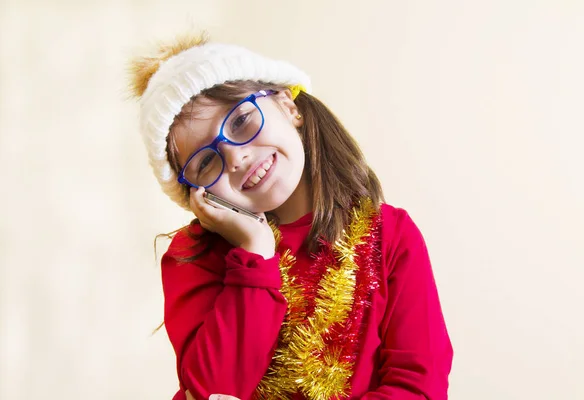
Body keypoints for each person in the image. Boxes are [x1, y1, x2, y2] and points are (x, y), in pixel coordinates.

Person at [129, 31, 453, 400]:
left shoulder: (391, 236)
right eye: (205, 162)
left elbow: (418, 388)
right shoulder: (193, 257)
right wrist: (254, 254)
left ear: (287, 105)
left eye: (240, 122)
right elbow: (210, 392)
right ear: (195, 193)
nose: (235, 158)